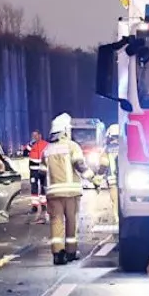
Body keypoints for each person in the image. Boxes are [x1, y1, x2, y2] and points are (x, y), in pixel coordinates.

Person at [42, 112, 101, 265]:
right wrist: (94, 179)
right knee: (71, 221)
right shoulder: (72, 146)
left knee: (56, 222)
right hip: (70, 192)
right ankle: (71, 252)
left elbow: (42, 172)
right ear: (65, 131)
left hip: (53, 193)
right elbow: (80, 165)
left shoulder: (46, 150)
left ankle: (58, 254)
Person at [27, 130, 49, 221]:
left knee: (44, 187)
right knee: (34, 187)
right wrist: (31, 144)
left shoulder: (46, 144)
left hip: (43, 170)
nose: (34, 137)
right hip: (33, 170)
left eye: (36, 135)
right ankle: (34, 206)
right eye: (33, 135)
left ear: (40, 135)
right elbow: (26, 151)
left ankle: (44, 205)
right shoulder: (31, 144)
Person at [101, 124, 120, 220]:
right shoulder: (126, 146)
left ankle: (116, 217)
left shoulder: (107, 149)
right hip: (125, 179)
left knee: (115, 200)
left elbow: (103, 164)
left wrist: (99, 176)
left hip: (112, 178)